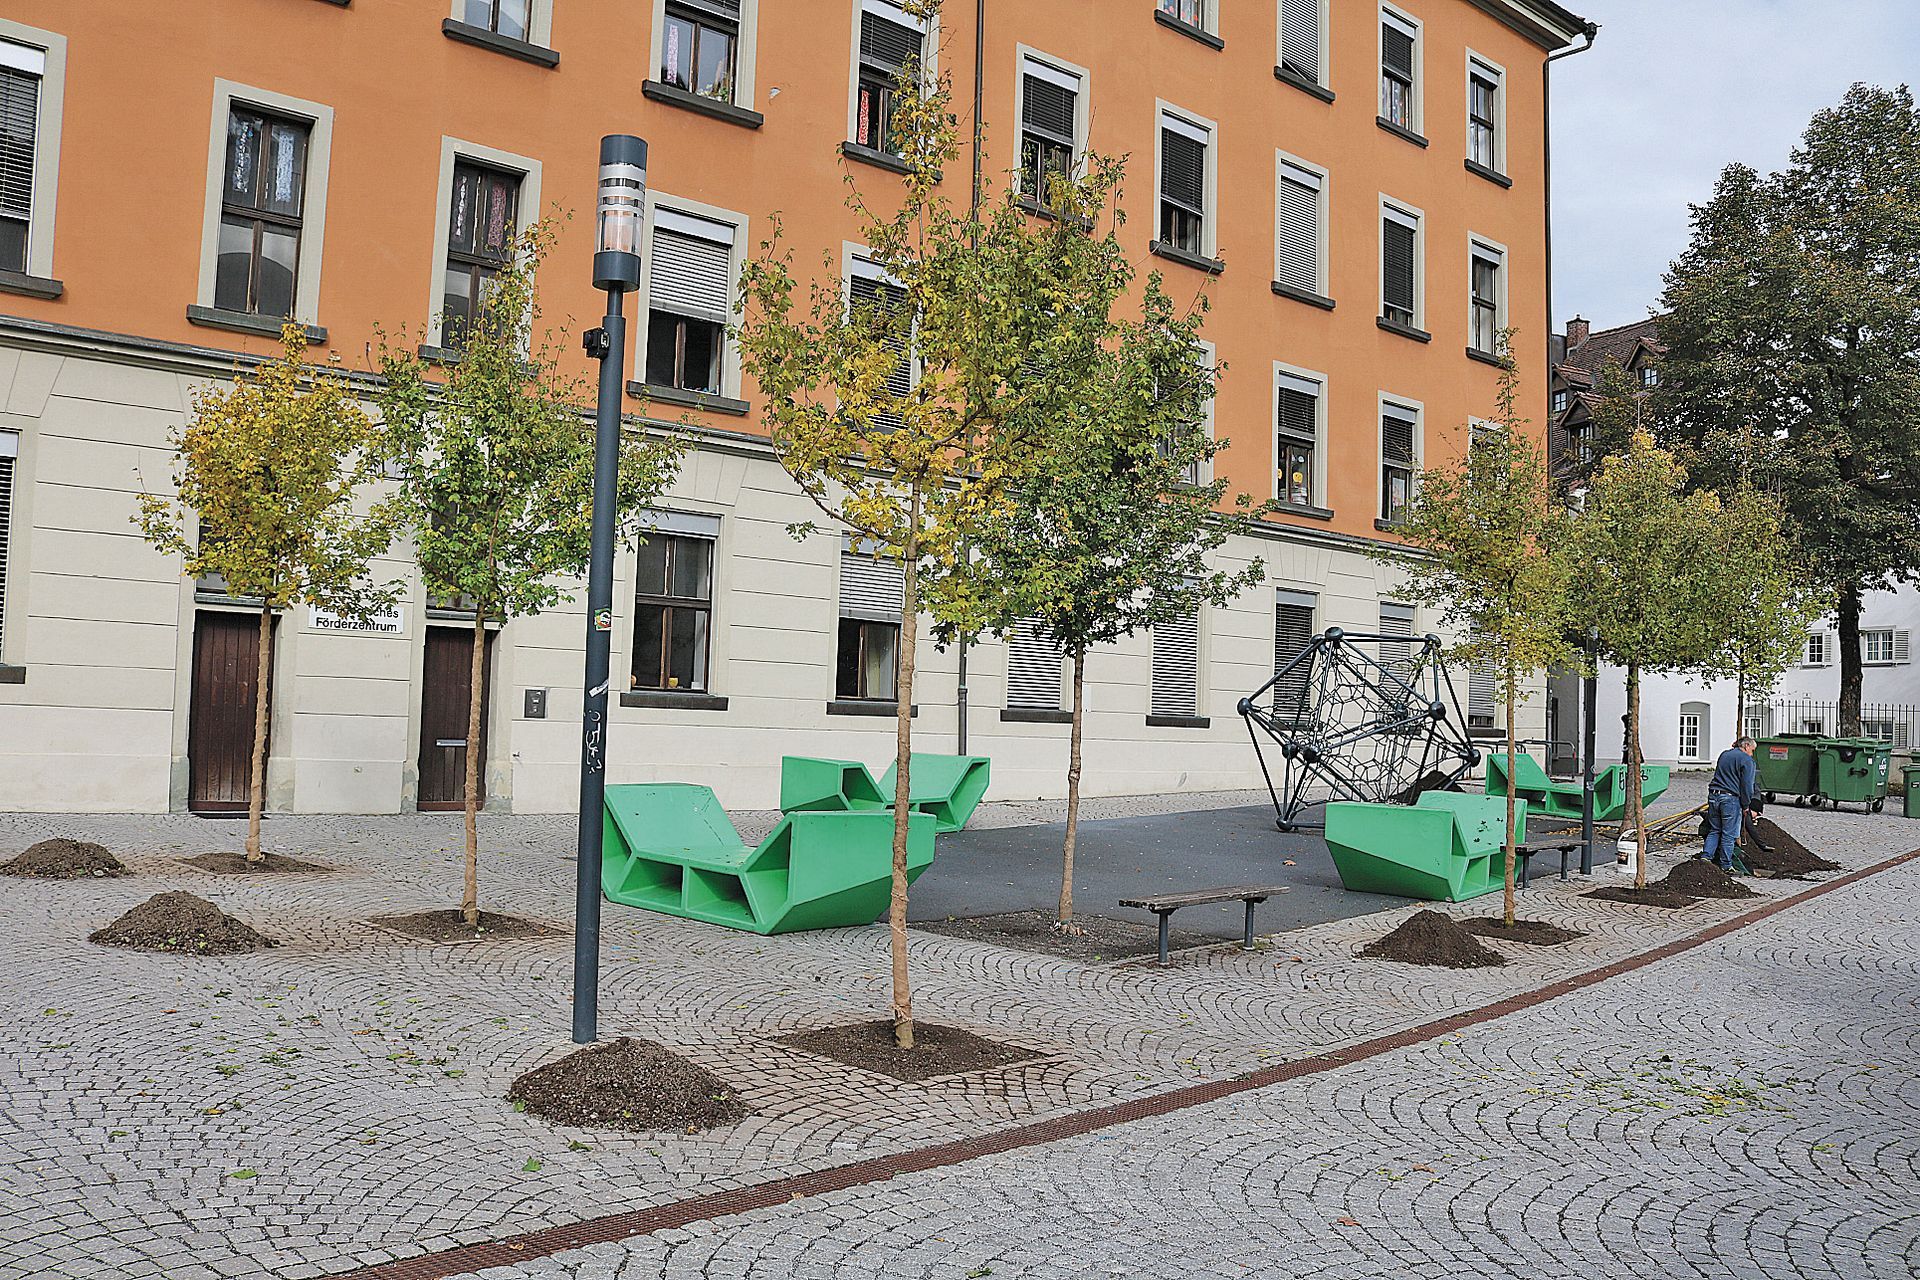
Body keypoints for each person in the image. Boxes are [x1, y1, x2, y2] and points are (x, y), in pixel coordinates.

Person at [1703, 736, 1760, 871]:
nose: (1752, 754)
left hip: (1714, 795)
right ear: (1746, 746)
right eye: (1752, 750)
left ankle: (1705, 858)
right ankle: (1726, 866)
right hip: (1730, 799)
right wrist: (1746, 805)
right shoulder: (1747, 760)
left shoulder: (1724, 754)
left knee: (1715, 830)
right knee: (1728, 834)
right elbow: (1747, 786)